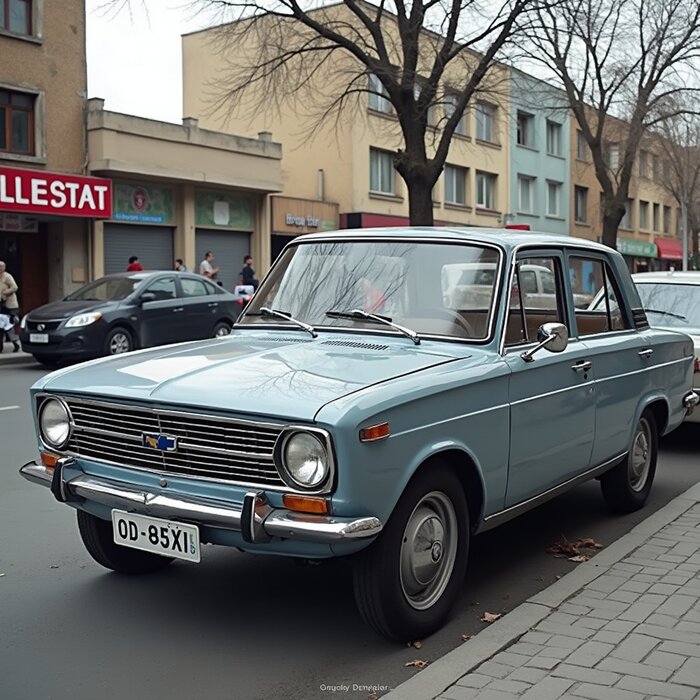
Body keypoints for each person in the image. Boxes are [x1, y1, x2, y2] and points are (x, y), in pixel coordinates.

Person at [0, 260, 20, 352]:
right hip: (1, 305)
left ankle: (15, 343)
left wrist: (5, 293)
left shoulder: (7, 276)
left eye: (1, 267)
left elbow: (14, 287)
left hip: (10, 305)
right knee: (0, 325)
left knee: (10, 325)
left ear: (4, 268)